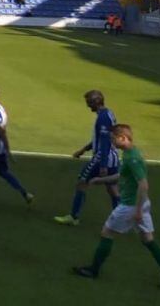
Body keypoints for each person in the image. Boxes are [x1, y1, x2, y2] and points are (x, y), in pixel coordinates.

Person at [72, 124, 160, 289]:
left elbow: (143, 185)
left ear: (123, 138)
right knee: (148, 240)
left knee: (107, 232)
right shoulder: (130, 153)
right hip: (141, 204)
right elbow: (122, 175)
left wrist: (137, 210)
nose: (112, 141)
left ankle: (93, 270)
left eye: (113, 138)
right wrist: (100, 180)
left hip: (131, 206)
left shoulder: (132, 158)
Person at [55, 90, 121, 226]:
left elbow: (103, 142)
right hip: (113, 157)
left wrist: (102, 165)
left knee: (82, 182)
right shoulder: (108, 114)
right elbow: (103, 138)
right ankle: (121, 219)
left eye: (89, 103)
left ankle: (74, 216)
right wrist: (83, 150)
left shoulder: (102, 118)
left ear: (95, 102)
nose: (88, 106)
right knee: (112, 189)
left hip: (102, 157)